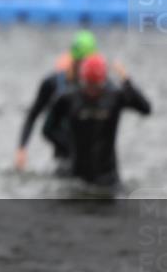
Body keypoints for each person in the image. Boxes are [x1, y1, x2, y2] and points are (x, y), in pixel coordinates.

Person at [49, 53, 151, 190]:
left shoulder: (114, 97)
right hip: (78, 178)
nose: (92, 91)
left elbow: (145, 109)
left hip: (107, 177)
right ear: (82, 80)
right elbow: (48, 129)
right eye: (88, 85)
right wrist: (67, 147)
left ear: (103, 81)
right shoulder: (69, 98)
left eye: (96, 86)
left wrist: (126, 80)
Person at [15, 29, 98, 171]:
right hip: (63, 153)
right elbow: (34, 116)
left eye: (89, 64)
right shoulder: (53, 83)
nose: (85, 69)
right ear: (74, 60)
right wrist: (22, 148)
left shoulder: (97, 86)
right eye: (82, 63)